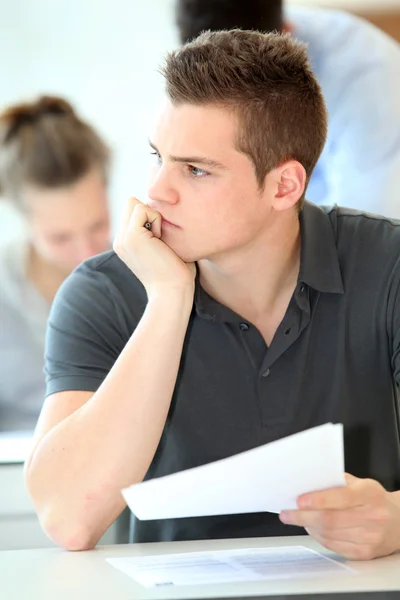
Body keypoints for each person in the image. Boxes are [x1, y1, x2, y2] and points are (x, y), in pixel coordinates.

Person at [25, 31, 400, 560]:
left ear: (284, 186)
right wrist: (168, 300)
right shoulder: (102, 291)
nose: (157, 190)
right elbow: (69, 519)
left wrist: (399, 521)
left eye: (195, 169)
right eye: (159, 157)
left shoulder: (389, 265)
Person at [175, 0, 400, 218]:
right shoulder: (211, 49)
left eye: (245, 84)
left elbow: (364, 231)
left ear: (287, 34)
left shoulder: (371, 88)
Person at [0, 95, 111, 432]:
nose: (86, 253)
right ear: (23, 219)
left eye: (98, 226)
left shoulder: (150, 276)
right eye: (60, 238)